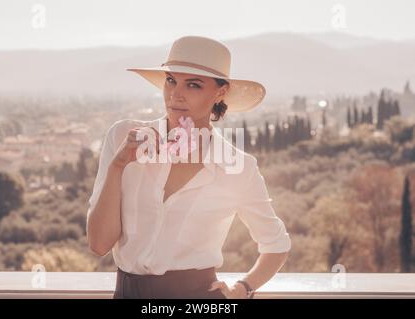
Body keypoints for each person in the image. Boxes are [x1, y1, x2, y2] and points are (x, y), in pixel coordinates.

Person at [86, 35, 291, 299]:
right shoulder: (123, 137)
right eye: (171, 80)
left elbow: (276, 245)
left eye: (193, 85)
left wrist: (243, 289)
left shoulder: (238, 167)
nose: (175, 94)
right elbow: (99, 244)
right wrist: (118, 165)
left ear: (220, 92)